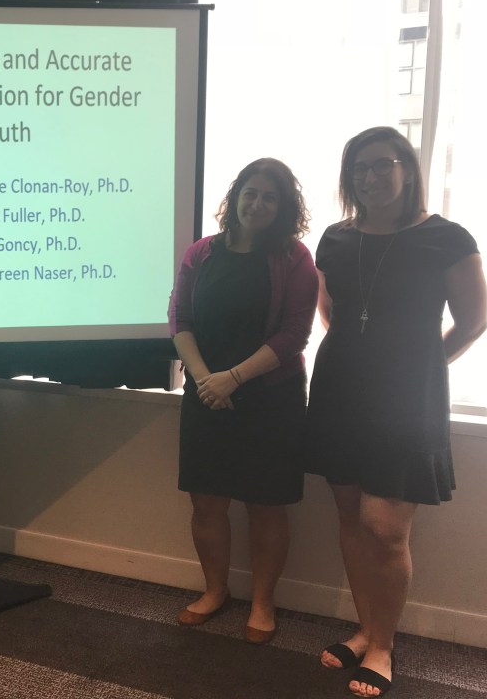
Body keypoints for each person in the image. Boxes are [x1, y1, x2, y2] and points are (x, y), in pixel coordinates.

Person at [306, 126, 487, 698]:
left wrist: (422, 365)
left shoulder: (447, 237)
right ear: (348, 177)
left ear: (407, 170)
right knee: (348, 512)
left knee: (384, 526)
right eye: (360, 167)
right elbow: (330, 309)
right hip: (340, 390)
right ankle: (363, 630)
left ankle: (383, 645)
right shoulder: (335, 239)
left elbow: (475, 319)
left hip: (409, 397)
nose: (372, 176)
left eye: (383, 164)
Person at [167, 158, 318, 645]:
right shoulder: (200, 253)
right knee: (206, 501)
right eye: (250, 193)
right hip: (206, 393)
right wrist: (207, 379)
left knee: (266, 506)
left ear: (284, 207)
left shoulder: (296, 259)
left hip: (270, 399)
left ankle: (262, 602)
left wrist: (232, 378)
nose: (257, 204)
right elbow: (179, 321)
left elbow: (296, 334)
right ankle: (215, 592)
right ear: (235, 198)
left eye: (269, 197)